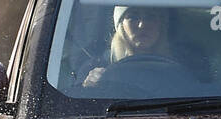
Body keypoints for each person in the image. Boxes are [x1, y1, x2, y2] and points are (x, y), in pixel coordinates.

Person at [80, 6, 208, 89]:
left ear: (161, 25)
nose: (142, 25)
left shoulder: (188, 63)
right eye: (133, 17)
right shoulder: (97, 65)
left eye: (151, 17)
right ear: (120, 26)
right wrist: (89, 87)